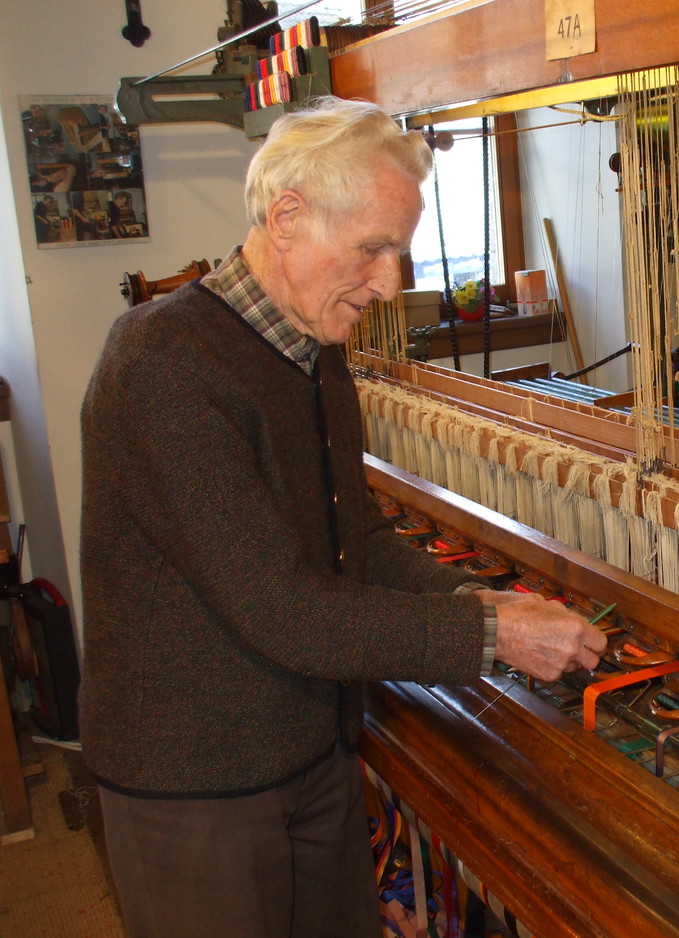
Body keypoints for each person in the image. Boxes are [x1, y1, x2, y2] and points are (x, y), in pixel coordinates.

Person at [79, 96, 606, 938]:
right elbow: (280, 608)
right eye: (372, 248)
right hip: (196, 784)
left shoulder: (313, 353)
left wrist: (482, 604)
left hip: (312, 747)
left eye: (399, 251)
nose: (391, 283)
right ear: (286, 218)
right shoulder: (161, 364)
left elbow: (353, 536)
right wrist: (492, 635)